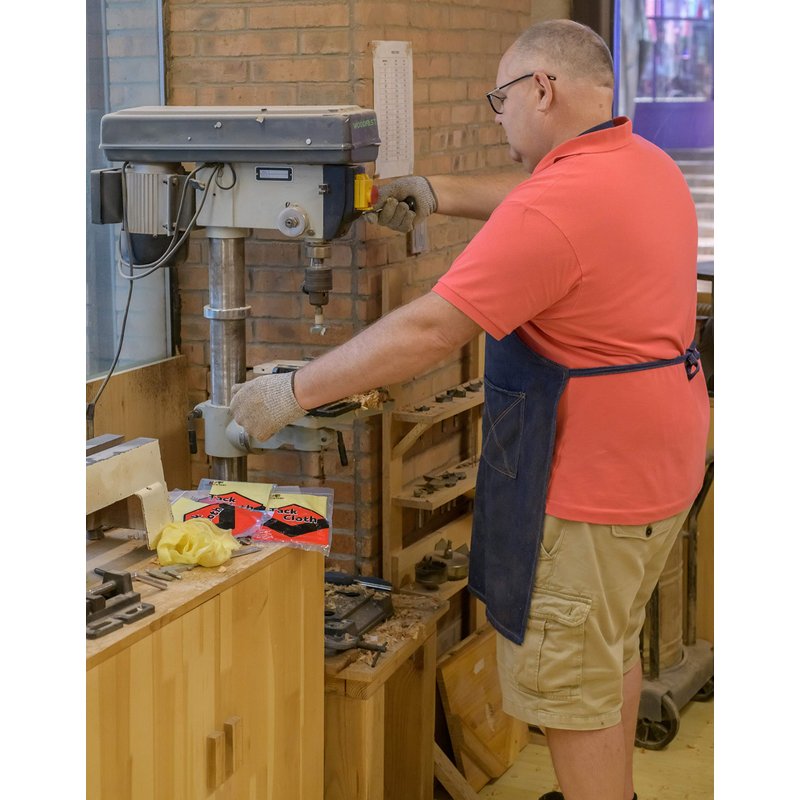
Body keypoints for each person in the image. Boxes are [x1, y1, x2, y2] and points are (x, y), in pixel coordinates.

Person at [230, 19, 709, 800]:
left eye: (501, 100)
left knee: (569, 688)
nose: (499, 119)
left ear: (541, 90)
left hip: (592, 485)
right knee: (606, 650)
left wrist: (292, 391)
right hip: (662, 467)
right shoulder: (642, 165)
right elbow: (536, 198)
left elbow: (430, 329)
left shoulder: (556, 207)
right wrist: (435, 192)